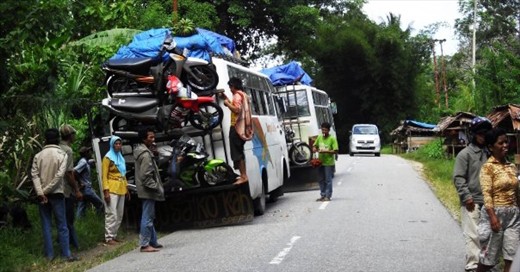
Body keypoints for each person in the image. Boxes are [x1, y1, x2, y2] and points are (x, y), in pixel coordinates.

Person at [476, 127, 520, 272]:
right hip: (494, 215)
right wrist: (492, 217)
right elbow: (486, 194)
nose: (505, 145)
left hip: (513, 216)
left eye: (506, 142)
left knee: (511, 257)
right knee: (489, 258)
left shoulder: (511, 166)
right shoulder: (488, 168)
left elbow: (516, 192)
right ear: (490, 147)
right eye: (500, 143)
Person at [31, 128, 78, 262]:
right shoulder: (62, 155)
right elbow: (59, 176)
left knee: (46, 225)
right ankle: (66, 254)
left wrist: (41, 193)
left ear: (45, 139)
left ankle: (49, 255)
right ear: (57, 139)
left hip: (42, 197)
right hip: (57, 194)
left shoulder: (38, 156)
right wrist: (46, 190)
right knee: (62, 225)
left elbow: (34, 175)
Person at [453, 117, 493, 272]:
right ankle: (473, 265)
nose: (483, 136)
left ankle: (486, 264)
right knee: (473, 235)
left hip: (490, 201)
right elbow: (458, 177)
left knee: (488, 235)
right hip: (472, 201)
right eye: (480, 133)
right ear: (474, 134)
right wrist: (466, 196)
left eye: (486, 133)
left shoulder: (491, 153)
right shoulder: (465, 154)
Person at [134, 128, 165, 253]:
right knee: (147, 216)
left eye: (153, 137)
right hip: (148, 190)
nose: (153, 139)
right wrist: (156, 187)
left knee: (149, 215)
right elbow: (146, 175)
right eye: (150, 138)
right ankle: (145, 244)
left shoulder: (142, 151)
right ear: (144, 139)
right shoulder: (145, 154)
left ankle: (152, 241)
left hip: (145, 189)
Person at [220, 77, 249, 184]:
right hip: (243, 127)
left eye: (230, 87)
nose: (230, 89)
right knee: (239, 151)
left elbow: (237, 109)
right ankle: (242, 175)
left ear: (233, 86)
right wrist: (226, 98)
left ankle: (243, 176)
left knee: (237, 152)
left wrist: (227, 104)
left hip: (236, 127)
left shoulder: (237, 96)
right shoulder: (243, 94)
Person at [102, 135, 129, 245]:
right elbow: (104, 175)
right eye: (116, 144)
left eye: (119, 144)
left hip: (121, 187)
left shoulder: (120, 158)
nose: (118, 146)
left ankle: (114, 235)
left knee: (119, 213)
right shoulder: (108, 157)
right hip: (112, 187)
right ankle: (108, 237)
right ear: (112, 145)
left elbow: (123, 174)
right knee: (111, 213)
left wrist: (127, 188)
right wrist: (106, 191)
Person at [59, 124, 82, 250]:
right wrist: (77, 189)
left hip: (56, 188)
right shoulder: (68, 150)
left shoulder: (57, 147)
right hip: (66, 189)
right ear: (70, 136)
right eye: (74, 134)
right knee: (69, 219)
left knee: (62, 218)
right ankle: (73, 245)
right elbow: (69, 173)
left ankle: (68, 243)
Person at [312, 122, 339, 202]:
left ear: (329, 130)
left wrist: (327, 151)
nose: (323, 132)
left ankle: (328, 195)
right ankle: (322, 195)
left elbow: (335, 150)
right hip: (320, 162)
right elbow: (314, 145)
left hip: (329, 162)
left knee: (328, 180)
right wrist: (314, 148)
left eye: (325, 130)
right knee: (321, 179)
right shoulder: (319, 137)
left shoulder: (332, 139)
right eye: (322, 130)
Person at [75, 146, 104, 218]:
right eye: (89, 152)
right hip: (86, 188)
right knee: (100, 204)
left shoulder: (85, 161)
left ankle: (79, 223)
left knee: (81, 207)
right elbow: (74, 171)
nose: (90, 153)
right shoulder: (83, 162)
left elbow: (90, 161)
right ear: (86, 153)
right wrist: (80, 182)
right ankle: (99, 220)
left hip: (84, 189)